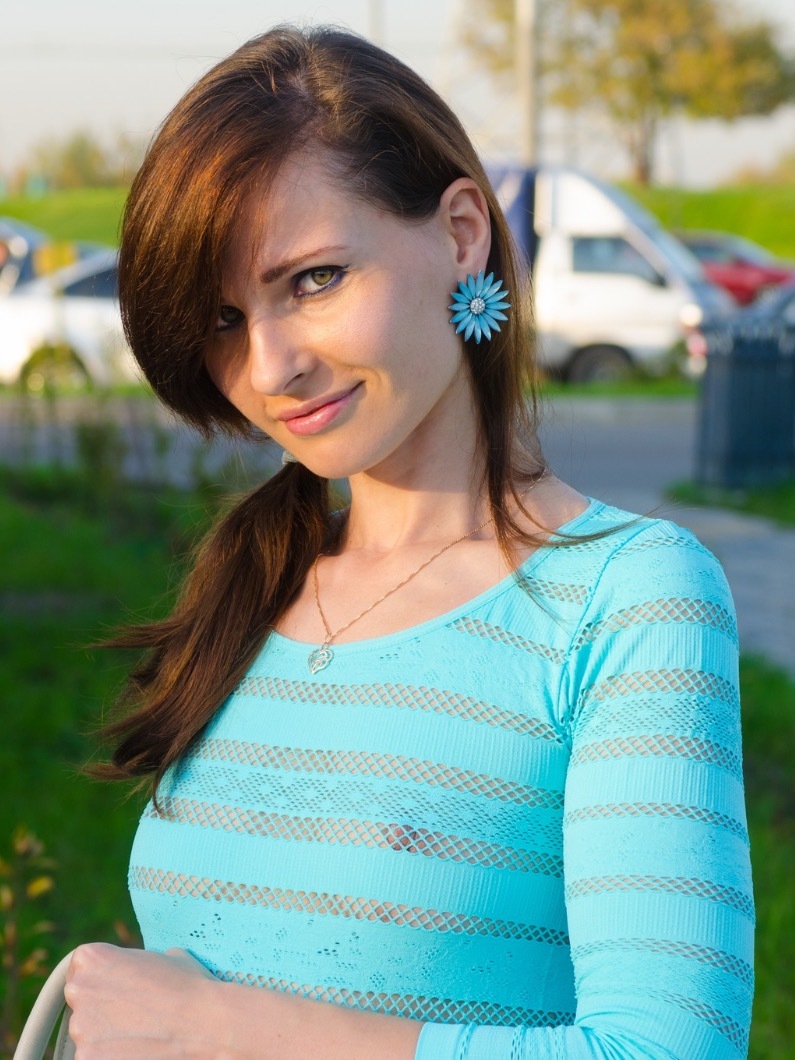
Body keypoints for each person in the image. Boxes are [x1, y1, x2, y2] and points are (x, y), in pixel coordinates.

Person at [64, 25, 754, 1059]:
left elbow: (665, 1049)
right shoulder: (253, 580)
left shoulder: (626, 600)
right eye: (223, 319)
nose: (271, 367)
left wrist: (222, 1028)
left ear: (463, 234)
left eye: (313, 279)